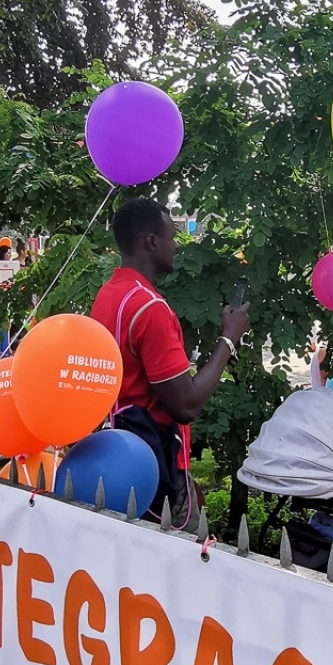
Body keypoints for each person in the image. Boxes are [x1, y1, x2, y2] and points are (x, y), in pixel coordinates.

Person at [91, 198, 250, 525]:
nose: (176, 245)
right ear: (151, 241)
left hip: (115, 454)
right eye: (172, 236)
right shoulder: (151, 309)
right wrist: (228, 339)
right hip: (155, 466)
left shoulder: (109, 295)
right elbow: (185, 405)